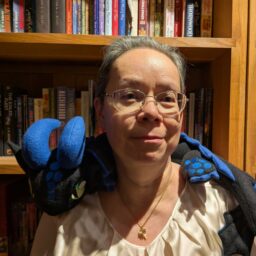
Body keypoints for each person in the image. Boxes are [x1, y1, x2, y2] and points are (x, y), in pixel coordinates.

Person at [26, 36, 255, 255]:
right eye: (129, 96)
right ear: (100, 111)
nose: (151, 112)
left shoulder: (224, 205)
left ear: (181, 115)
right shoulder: (63, 213)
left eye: (167, 98)